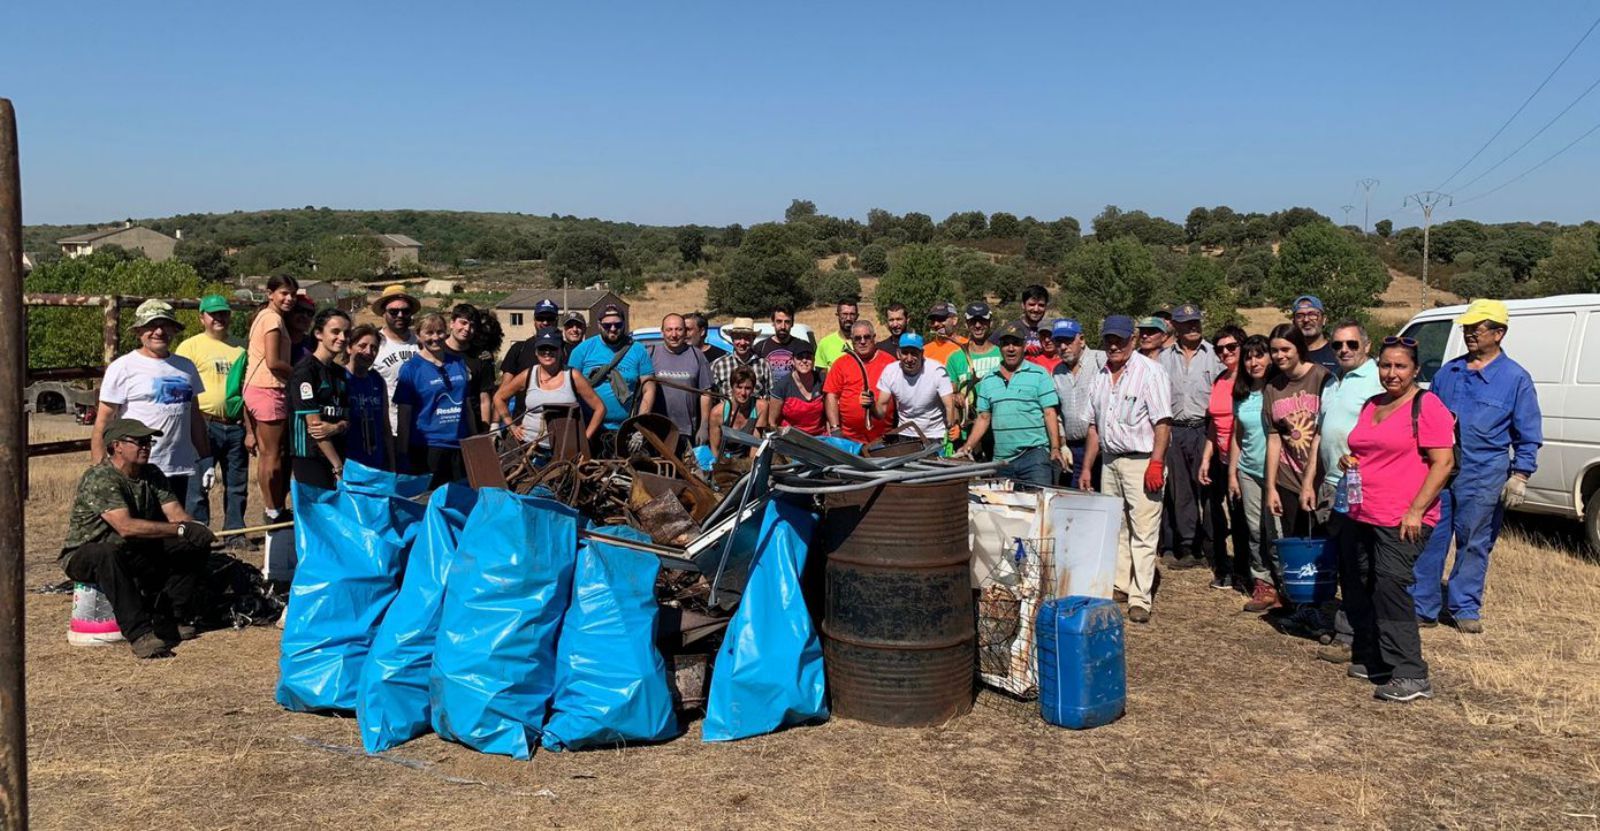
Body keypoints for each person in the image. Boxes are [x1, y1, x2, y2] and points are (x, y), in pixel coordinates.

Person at [1413, 299, 1543, 633]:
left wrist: (1520, 475)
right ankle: (1422, 606)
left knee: (1474, 540)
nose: (1469, 333)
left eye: (1477, 328)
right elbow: (1427, 419)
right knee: (1431, 537)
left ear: (1499, 333)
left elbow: (1528, 433)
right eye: (1467, 328)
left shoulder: (1515, 379)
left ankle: (1464, 607)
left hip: (1484, 472)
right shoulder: (1449, 372)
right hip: (1441, 470)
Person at [1341, 337, 1456, 701]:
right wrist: (1350, 461)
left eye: (1400, 366)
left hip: (1403, 517)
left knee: (1391, 587)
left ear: (1416, 370)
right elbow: (1362, 448)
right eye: (1386, 365)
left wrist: (1417, 510)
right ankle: (1378, 659)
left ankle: (1411, 672)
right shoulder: (1373, 404)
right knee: (1366, 582)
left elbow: (1444, 463)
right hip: (1364, 511)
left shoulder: (1427, 405)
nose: (1392, 373)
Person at [61, 418, 216, 659]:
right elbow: (125, 527)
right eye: (139, 442)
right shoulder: (100, 478)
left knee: (191, 544)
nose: (146, 446)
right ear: (116, 446)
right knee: (106, 553)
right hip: (87, 554)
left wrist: (193, 528)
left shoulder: (152, 473)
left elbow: (176, 514)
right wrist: (179, 529)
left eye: (148, 441)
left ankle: (169, 617)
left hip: (131, 550)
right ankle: (140, 633)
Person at [1081, 315, 1172, 624]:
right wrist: (1086, 468)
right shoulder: (1100, 376)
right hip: (1110, 460)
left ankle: (1140, 597)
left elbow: (1162, 422)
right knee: (1116, 528)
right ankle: (1120, 584)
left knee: (1144, 531)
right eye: (1109, 339)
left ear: (1132, 339)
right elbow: (1094, 426)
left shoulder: (1151, 372)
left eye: (1120, 338)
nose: (1114, 344)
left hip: (1142, 459)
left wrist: (1156, 462)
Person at [1302, 321, 1384, 658]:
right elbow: (1320, 435)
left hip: (1361, 486)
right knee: (1342, 558)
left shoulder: (1378, 380)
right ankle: (1348, 625)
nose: (1344, 350)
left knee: (1358, 563)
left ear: (1366, 345)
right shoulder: (1333, 382)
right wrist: (1310, 480)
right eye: (1337, 346)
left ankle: (1351, 635)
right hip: (1332, 484)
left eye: (1351, 344)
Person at [92, 299, 207, 501]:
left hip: (178, 467)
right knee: (141, 528)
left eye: (165, 325)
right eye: (151, 326)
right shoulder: (123, 367)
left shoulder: (186, 367)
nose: (159, 332)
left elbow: (194, 416)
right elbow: (104, 421)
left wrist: (206, 458)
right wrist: (100, 470)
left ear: (174, 329)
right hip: (137, 468)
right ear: (138, 332)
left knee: (174, 527)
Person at [173, 294, 247, 539]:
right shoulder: (190, 346)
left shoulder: (241, 347)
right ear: (201, 318)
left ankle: (235, 532)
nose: (219, 318)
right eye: (213, 314)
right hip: (203, 422)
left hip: (235, 424)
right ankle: (199, 533)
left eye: (224, 313)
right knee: (198, 483)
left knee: (237, 483)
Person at [957, 323, 1064, 486]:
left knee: (1039, 505)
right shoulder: (989, 379)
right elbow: (983, 418)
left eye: (1016, 343)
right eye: (1006, 344)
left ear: (1024, 346)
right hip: (1002, 460)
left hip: (1034, 457)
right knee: (1004, 510)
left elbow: (1049, 413)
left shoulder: (1039, 374)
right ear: (1000, 347)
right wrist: (968, 446)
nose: (1011, 348)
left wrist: (1055, 448)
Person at [1158, 304, 1222, 570]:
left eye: (1195, 322)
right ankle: (1187, 545)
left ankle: (1211, 545)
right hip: (1175, 428)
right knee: (1180, 489)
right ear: (1176, 326)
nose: (1192, 327)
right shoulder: (1163, 358)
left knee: (1208, 489)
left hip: (1205, 428)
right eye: (1186, 323)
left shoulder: (1214, 356)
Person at [1229, 335, 1286, 612]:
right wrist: (1232, 473)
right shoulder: (1240, 394)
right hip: (1249, 471)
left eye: (1260, 355)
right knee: (1254, 531)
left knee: (1276, 531)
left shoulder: (1279, 389)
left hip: (1280, 474)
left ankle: (1286, 586)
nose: (1254, 362)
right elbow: (1237, 436)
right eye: (1249, 357)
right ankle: (1263, 585)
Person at [1264, 324, 1330, 541]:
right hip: (1288, 478)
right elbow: (1274, 439)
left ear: (1299, 348)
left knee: (1325, 541)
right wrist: (1271, 487)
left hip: (1321, 479)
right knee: (1296, 540)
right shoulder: (1272, 388)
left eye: (1285, 349)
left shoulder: (1322, 378)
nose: (1279, 355)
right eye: (1274, 351)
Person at [494, 328, 605, 452]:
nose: (547, 352)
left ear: (560, 350)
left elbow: (600, 408)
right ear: (536, 352)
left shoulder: (573, 376)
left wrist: (584, 439)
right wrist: (511, 426)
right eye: (542, 349)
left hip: (563, 449)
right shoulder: (528, 375)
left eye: (552, 348)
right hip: (526, 445)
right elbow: (499, 397)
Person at [394, 313, 473, 486]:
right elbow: (404, 415)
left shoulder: (458, 363)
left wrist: (474, 439)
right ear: (418, 335)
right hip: (428, 446)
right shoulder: (411, 368)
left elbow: (467, 406)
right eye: (429, 333)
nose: (435, 338)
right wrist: (402, 452)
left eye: (439, 332)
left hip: (459, 445)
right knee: (431, 501)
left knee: (461, 502)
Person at [244, 276, 298, 522]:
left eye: (293, 295)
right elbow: (273, 361)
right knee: (272, 454)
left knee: (268, 452)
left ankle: (273, 506)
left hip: (259, 388)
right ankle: (272, 508)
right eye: (284, 293)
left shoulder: (265, 317)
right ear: (270, 294)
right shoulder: (272, 319)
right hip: (268, 388)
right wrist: (300, 373)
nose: (289, 299)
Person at [1198, 325, 1248, 591]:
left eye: (1231, 347)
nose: (1225, 352)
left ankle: (1245, 572)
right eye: (1220, 349)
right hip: (1222, 457)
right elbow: (1214, 423)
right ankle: (1225, 568)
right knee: (1219, 514)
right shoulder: (1220, 380)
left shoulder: (1251, 381)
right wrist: (1207, 457)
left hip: (1246, 460)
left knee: (1242, 518)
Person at [568, 304, 656, 450]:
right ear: (599, 325)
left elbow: (649, 388)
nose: (613, 329)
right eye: (607, 325)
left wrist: (641, 428)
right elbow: (569, 389)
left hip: (625, 430)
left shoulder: (638, 350)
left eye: (618, 324)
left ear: (624, 323)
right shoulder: (582, 350)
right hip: (589, 429)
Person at [287, 309, 351, 491]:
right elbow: (315, 427)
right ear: (318, 334)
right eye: (335, 331)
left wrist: (337, 427)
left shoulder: (340, 373)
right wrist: (337, 467)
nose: (342, 337)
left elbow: (347, 419)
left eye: (346, 332)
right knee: (319, 514)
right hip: (310, 456)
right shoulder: (305, 372)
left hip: (338, 454)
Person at [1050, 318, 1106, 487]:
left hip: (1100, 447)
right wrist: (1062, 444)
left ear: (1081, 340)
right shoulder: (1058, 371)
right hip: (1073, 448)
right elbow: (1058, 412)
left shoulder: (1100, 360)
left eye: (1068, 341)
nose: (1063, 347)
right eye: (1058, 342)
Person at [875, 333, 957, 445]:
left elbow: (949, 405)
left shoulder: (937, 370)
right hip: (905, 433)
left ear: (922, 353)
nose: (909, 359)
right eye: (905, 353)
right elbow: (881, 408)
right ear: (898, 353)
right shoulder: (890, 371)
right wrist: (871, 407)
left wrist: (951, 428)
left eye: (914, 353)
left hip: (934, 434)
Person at [824, 321, 896, 444]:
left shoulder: (890, 362)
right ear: (852, 340)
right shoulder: (841, 364)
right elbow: (831, 395)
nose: (862, 341)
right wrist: (835, 428)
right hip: (850, 439)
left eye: (867, 337)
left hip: (884, 438)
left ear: (874, 338)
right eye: (857, 338)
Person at [649, 313, 713, 442]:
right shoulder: (651, 354)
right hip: (656, 430)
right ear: (662, 332)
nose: (674, 334)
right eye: (669, 330)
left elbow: (706, 393)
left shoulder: (697, 355)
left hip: (688, 431)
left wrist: (704, 426)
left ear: (685, 332)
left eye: (678, 329)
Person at [370, 284, 422, 438]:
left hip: (422, 428)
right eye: (393, 311)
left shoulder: (422, 342)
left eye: (405, 311)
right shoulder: (374, 344)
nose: (400, 315)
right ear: (383, 314)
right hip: (389, 429)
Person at [946, 302, 1002, 444]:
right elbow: (950, 394)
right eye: (973, 321)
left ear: (990, 322)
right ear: (966, 324)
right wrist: (956, 397)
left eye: (982, 320)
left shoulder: (1002, 355)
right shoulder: (955, 358)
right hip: (967, 435)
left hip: (998, 433)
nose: (977, 325)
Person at [344, 324, 396, 472]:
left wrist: (392, 464)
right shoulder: (340, 378)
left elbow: (385, 424)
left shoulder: (377, 380)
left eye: (374, 348)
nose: (368, 351)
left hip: (376, 461)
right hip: (349, 462)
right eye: (362, 346)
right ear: (349, 348)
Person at [443, 303, 492, 434]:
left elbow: (485, 398)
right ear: (452, 323)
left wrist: (485, 431)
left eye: (472, 325)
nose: (467, 328)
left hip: (472, 427)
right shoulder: (436, 352)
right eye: (463, 323)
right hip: (441, 427)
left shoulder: (482, 357)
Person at [769, 341, 828, 435]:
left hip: (819, 438)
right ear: (792, 361)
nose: (804, 361)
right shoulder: (782, 385)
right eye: (800, 357)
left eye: (808, 357)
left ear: (813, 360)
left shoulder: (822, 380)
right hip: (792, 439)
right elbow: (772, 422)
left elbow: (828, 415)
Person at [711, 317, 774, 402]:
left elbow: (769, 396)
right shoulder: (718, 365)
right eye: (738, 338)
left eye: (747, 338)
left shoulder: (763, 365)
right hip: (727, 414)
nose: (742, 342)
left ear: (753, 339)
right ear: (732, 339)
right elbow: (711, 397)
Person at [709, 366, 765, 458]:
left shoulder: (760, 407)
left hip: (745, 459)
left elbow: (755, 444)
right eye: (739, 387)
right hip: (724, 460)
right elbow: (715, 450)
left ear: (753, 389)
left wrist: (751, 468)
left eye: (747, 388)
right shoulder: (717, 413)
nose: (743, 393)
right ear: (732, 387)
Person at [756, 303, 810, 387]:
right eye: (779, 321)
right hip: (768, 398)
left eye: (787, 322)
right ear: (773, 322)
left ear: (792, 323)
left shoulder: (802, 346)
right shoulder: (760, 347)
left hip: (793, 398)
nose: (783, 326)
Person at [1291, 295, 1339, 374]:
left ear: (1324, 320)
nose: (1306, 320)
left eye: (1312, 315)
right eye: (1300, 316)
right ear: (1294, 322)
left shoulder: (1337, 352)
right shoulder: (1288, 355)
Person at [815, 299, 860, 369]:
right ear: (838, 315)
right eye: (844, 314)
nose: (848, 318)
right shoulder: (825, 344)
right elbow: (820, 373)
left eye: (852, 314)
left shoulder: (864, 343)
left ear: (857, 316)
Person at [922, 302, 967, 367]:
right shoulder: (925, 351)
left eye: (941, 319)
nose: (936, 324)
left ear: (954, 320)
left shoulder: (968, 345)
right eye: (933, 321)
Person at [1010, 284, 1050, 356]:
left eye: (1041, 305)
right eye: (1032, 304)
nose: (1036, 309)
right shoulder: (1010, 328)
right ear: (1023, 305)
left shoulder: (1052, 330)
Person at [287, 293, 316, 365]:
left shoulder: (314, 345)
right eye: (300, 310)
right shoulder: (276, 340)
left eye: (310, 313)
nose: (305, 316)